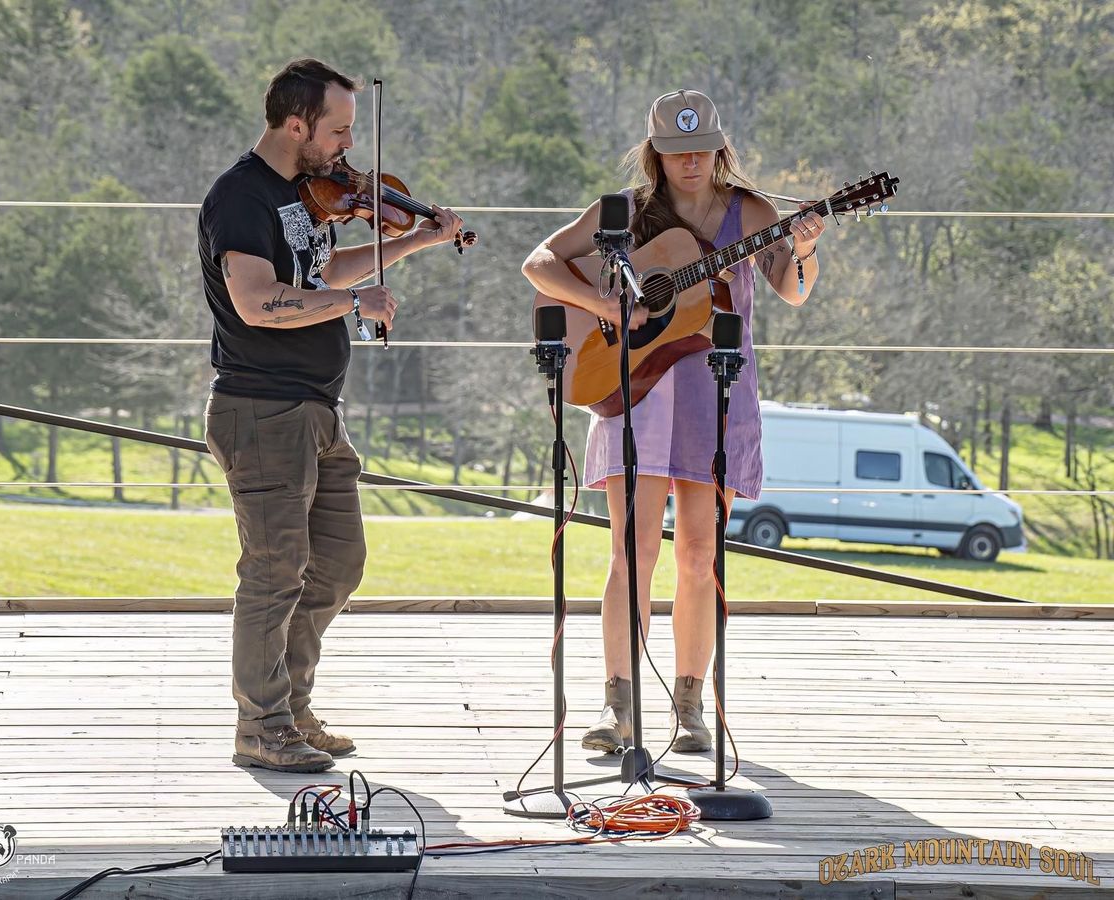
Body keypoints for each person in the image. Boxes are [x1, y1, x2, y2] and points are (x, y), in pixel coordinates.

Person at [521, 90, 825, 754]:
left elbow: (792, 291)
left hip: (717, 390)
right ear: (655, 153)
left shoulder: (753, 213)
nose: (691, 162)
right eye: (677, 151)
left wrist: (801, 248)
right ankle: (616, 708)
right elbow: (539, 263)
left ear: (720, 148)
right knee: (633, 552)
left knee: (698, 557)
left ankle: (689, 709)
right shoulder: (625, 213)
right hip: (639, 392)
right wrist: (602, 304)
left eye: (703, 149)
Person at [198, 58, 464, 773]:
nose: (348, 147)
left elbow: (319, 272)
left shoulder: (302, 195)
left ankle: (289, 707)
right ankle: (261, 727)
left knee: (339, 563)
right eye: (338, 130)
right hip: (262, 409)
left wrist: (411, 242)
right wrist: (355, 305)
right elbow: (257, 302)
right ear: (295, 125)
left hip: (316, 409)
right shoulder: (241, 197)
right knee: (274, 571)